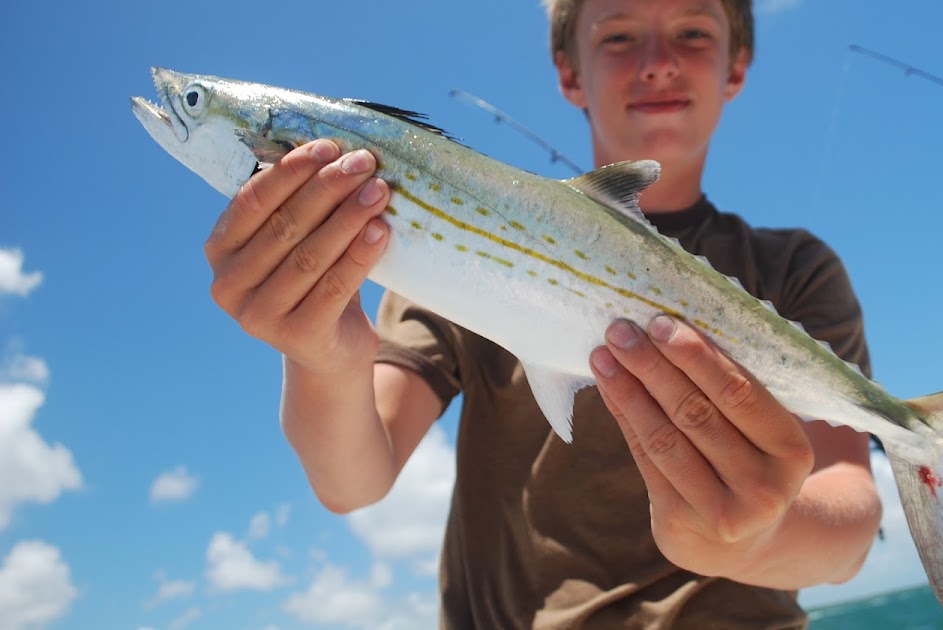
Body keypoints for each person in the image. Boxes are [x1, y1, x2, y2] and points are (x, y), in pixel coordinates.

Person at [204, 0, 883, 626]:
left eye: (693, 32)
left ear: (736, 66)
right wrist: (322, 356)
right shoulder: (442, 257)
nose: (657, 61)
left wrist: (759, 537)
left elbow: (849, 521)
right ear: (568, 72)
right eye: (619, 36)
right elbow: (355, 479)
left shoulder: (795, 270)